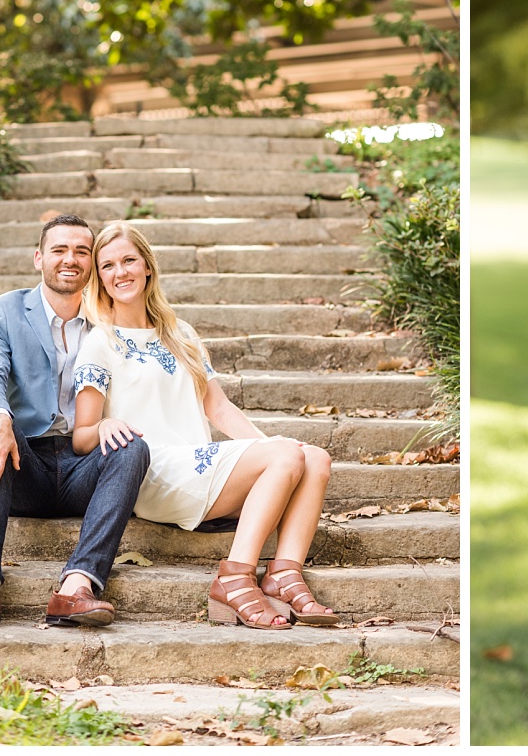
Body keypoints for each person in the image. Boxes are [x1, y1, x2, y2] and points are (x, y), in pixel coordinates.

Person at [71, 221, 338, 629]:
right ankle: (234, 578)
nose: (120, 272)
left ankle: (284, 575)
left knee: (314, 458)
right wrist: (104, 426)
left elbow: (219, 408)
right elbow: (81, 437)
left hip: (200, 460)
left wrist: (276, 449)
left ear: (147, 266)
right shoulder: (99, 342)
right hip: (154, 471)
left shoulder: (181, 334)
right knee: (287, 456)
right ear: (100, 279)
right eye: (107, 266)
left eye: (128, 260)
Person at [0, 214, 151, 631]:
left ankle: (77, 586)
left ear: (92, 264)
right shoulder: (3, 312)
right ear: (38, 257)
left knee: (133, 447)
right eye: (60, 250)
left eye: (82, 251)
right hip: (24, 462)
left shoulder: (110, 320)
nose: (71, 259)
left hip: (86, 464)